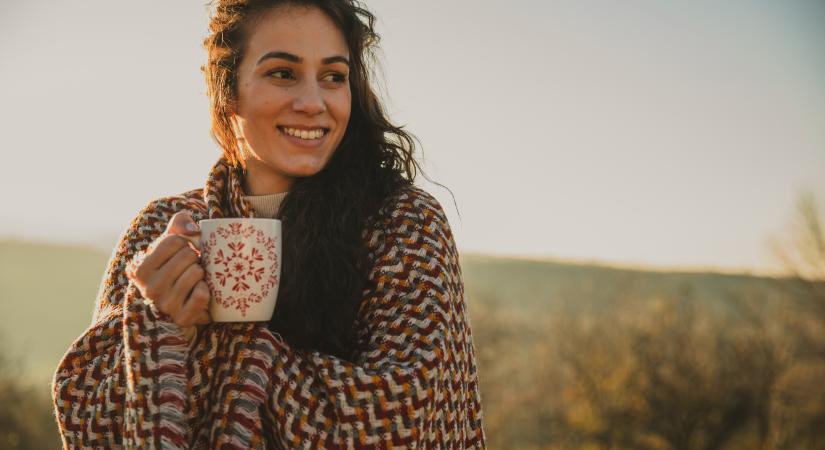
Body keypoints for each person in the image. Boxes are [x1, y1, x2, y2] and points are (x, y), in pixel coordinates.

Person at [51, 0, 486, 448]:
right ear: (228, 89)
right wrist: (157, 326)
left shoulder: (404, 225)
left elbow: (404, 419)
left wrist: (204, 344)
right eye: (283, 73)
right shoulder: (162, 228)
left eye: (334, 77)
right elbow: (86, 413)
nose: (314, 103)